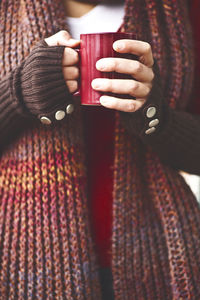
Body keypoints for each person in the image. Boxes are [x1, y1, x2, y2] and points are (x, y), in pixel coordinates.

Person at [0, 0, 200, 299]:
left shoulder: (183, 10)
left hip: (162, 253)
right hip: (21, 255)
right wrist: (18, 92)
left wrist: (156, 117)